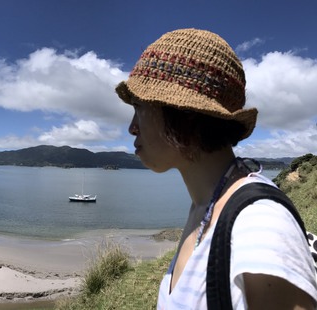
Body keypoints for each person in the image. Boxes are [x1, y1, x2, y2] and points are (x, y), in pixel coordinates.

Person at [116, 28, 317, 309]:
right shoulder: (204, 206)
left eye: (139, 107)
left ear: (182, 112)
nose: (131, 127)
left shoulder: (261, 228)